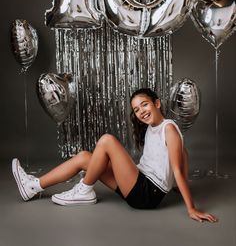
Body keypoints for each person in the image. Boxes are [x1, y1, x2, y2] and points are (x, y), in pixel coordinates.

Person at [12, 88, 217, 222]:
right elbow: (183, 153)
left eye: (144, 104)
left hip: (147, 194)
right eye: (136, 110)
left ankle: (84, 190)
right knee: (85, 156)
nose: (141, 111)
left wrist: (191, 208)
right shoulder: (152, 128)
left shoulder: (168, 128)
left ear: (157, 103)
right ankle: (33, 186)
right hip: (139, 182)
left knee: (107, 140)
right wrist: (175, 188)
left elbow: (178, 168)